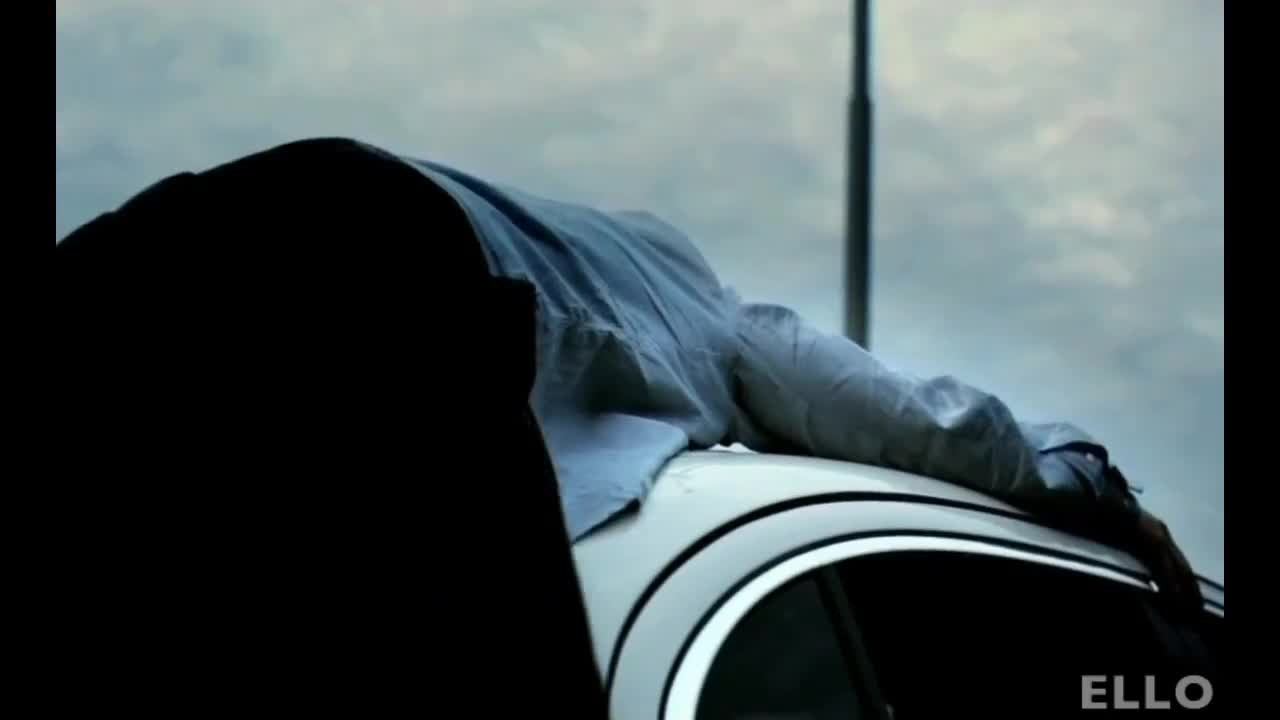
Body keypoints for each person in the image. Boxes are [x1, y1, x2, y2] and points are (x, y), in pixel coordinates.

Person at [56, 137, 1202, 710]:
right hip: (371, 256)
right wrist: (1089, 485)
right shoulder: (713, 316)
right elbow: (922, 428)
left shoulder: (589, 258)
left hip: (157, 240)